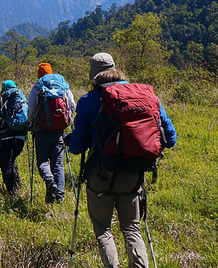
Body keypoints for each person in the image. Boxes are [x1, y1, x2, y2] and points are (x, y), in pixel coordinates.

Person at [68, 52, 177, 268]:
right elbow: (170, 137)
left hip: (100, 174)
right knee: (132, 228)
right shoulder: (145, 95)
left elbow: (76, 148)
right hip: (133, 175)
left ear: (95, 75)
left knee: (103, 229)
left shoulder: (88, 101)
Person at [28, 62, 75, 203]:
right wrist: (65, 121)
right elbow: (72, 105)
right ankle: (59, 196)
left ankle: (50, 182)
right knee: (58, 165)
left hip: (41, 130)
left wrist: (32, 122)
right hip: (59, 131)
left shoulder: (37, 88)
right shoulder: (62, 86)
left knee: (42, 161)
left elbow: (30, 110)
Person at [0, 80, 28, 195]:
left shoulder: (1, 100)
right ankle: (16, 185)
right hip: (21, 137)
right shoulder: (21, 99)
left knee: (6, 165)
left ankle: (11, 193)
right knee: (12, 160)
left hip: (6, 137)